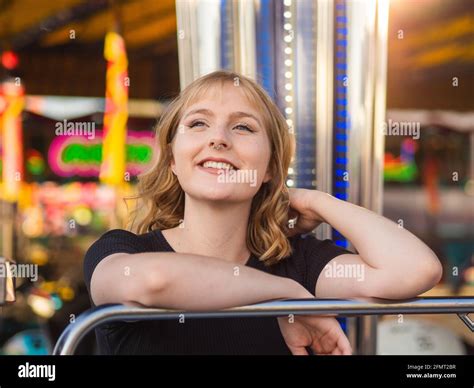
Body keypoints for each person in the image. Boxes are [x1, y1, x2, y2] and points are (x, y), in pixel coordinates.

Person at [84, 70, 443, 355]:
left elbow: (416, 269)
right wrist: (285, 294)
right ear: (173, 159)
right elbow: (150, 282)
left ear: (271, 167)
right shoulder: (125, 250)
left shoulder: (295, 262)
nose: (218, 138)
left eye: (243, 127)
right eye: (198, 123)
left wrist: (318, 201)